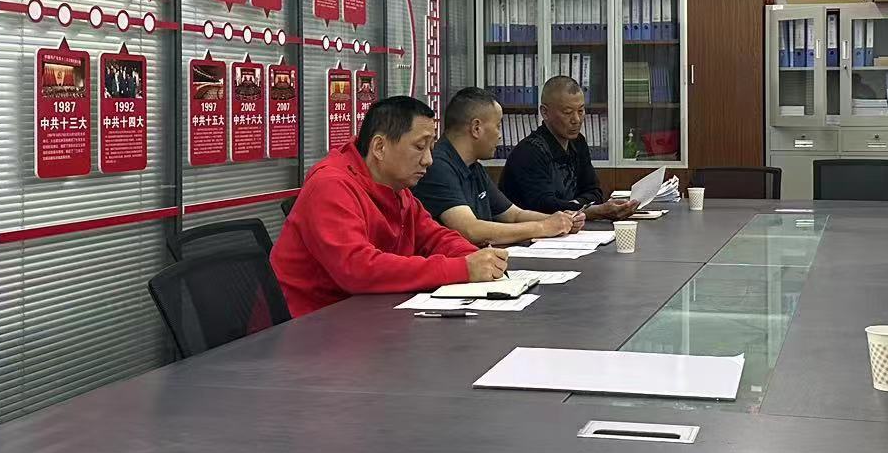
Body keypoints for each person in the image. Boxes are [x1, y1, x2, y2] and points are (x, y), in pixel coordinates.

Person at [272, 95, 509, 317]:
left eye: (431, 148)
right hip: (314, 323)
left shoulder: (397, 188)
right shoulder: (330, 186)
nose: (428, 160)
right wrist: (462, 268)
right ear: (379, 147)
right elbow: (358, 269)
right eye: (420, 147)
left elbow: (435, 237)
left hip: (369, 315)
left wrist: (477, 257)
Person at [416, 87, 586, 246]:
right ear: (476, 128)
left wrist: (561, 221)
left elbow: (513, 215)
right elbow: (470, 230)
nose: (500, 136)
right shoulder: (437, 166)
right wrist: (543, 227)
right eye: (498, 126)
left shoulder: (473, 166)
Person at [501, 75, 638, 220]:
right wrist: (590, 210)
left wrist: (574, 206)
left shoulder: (578, 142)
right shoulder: (529, 153)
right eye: (567, 112)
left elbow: (595, 193)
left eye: (581, 111)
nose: (576, 120)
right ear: (545, 112)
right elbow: (545, 207)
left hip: (572, 226)